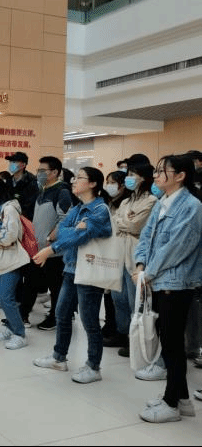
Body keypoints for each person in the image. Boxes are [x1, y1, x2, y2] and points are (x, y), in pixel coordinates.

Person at [135, 154, 202, 423]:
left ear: (181, 176)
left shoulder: (192, 206)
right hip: (158, 280)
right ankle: (182, 400)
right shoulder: (162, 202)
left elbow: (177, 247)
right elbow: (146, 237)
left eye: (163, 171)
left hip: (176, 283)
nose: (156, 175)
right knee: (169, 342)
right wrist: (140, 264)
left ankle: (171, 403)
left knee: (173, 345)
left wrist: (148, 273)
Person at [32, 167, 112, 384]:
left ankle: (93, 366)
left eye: (80, 178)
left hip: (89, 270)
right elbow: (64, 231)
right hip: (71, 268)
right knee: (62, 314)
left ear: (93, 183)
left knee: (89, 321)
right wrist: (77, 229)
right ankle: (59, 357)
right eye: (74, 177)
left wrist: (53, 248)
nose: (74, 181)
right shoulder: (77, 209)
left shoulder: (100, 210)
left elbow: (80, 236)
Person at [111, 165, 158, 364]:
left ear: (143, 177)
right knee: (118, 299)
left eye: (132, 175)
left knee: (134, 301)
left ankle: (135, 340)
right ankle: (123, 334)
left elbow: (135, 225)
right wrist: (126, 220)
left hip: (135, 255)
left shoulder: (152, 200)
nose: (128, 178)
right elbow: (114, 221)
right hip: (119, 254)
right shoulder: (127, 200)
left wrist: (125, 221)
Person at [22, 156, 72, 331]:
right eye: (38, 170)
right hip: (38, 248)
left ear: (55, 172)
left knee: (56, 287)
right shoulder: (43, 190)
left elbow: (65, 219)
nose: (39, 174)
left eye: (43, 171)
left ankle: (54, 318)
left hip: (53, 251)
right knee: (30, 282)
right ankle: (22, 315)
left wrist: (51, 238)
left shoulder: (62, 191)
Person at [0, 177, 30, 350]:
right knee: (3, 299)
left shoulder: (10, 208)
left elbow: (10, 235)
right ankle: (10, 328)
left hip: (12, 258)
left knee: (6, 297)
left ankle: (20, 334)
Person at [6, 151, 39, 328]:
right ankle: (15, 311)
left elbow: (29, 208)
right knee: (14, 271)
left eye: (14, 161)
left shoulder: (32, 182)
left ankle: (24, 313)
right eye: (10, 161)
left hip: (26, 231)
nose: (11, 164)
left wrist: (14, 214)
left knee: (28, 274)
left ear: (23, 165)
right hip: (11, 231)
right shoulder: (8, 181)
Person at [102, 170, 132, 347]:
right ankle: (112, 327)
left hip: (124, 253)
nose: (109, 186)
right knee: (111, 295)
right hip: (111, 252)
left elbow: (124, 225)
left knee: (124, 298)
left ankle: (126, 334)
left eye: (112, 182)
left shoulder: (126, 203)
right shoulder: (109, 202)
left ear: (122, 185)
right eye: (108, 182)